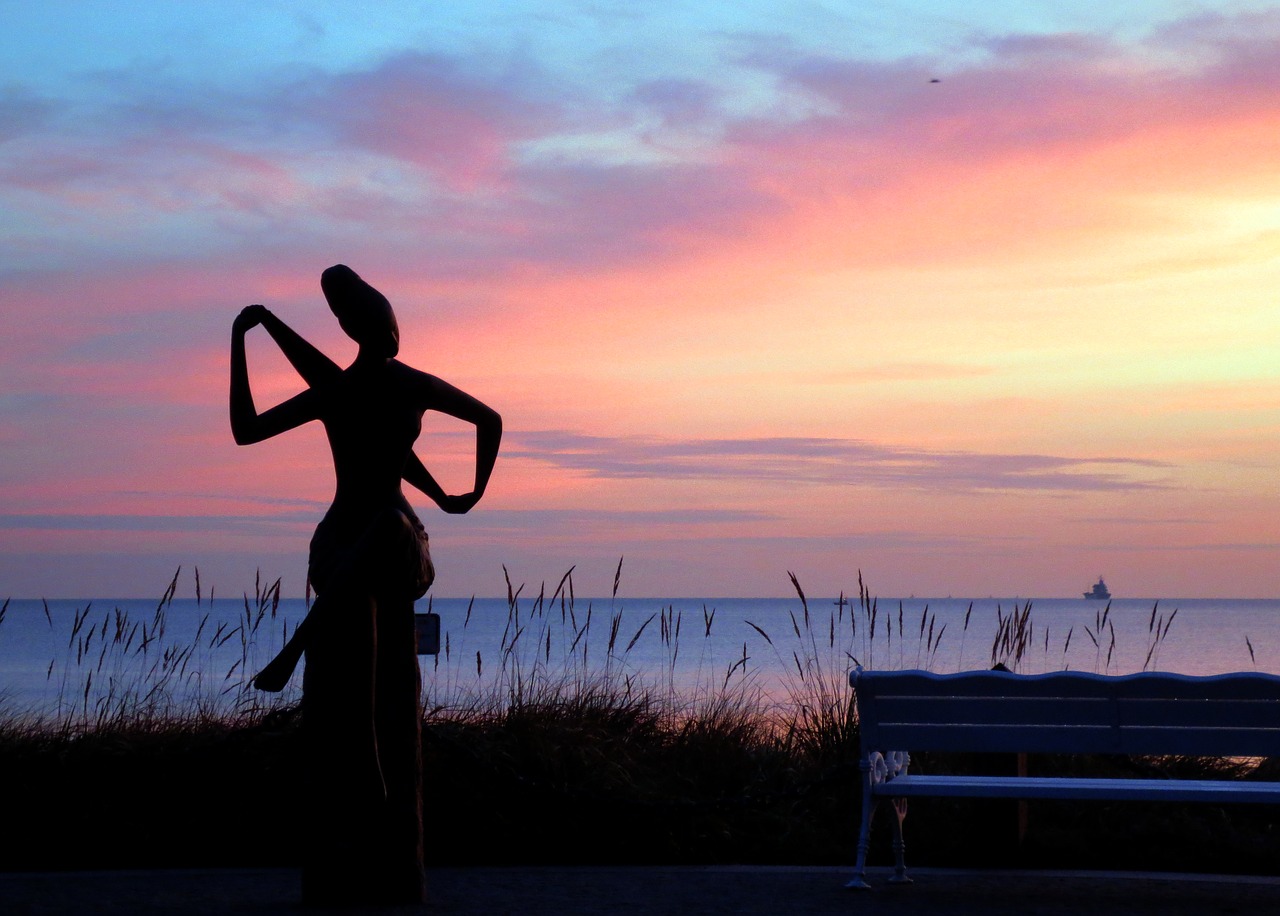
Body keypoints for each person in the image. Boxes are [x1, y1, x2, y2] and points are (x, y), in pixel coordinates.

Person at [229, 264, 501, 905]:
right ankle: (366, 778)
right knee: (360, 658)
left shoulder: (387, 386)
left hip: (398, 548)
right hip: (341, 547)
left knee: (386, 526)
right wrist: (247, 338)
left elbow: (487, 421)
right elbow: (248, 429)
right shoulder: (347, 390)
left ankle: (297, 647)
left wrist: (457, 496)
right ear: (365, 330)